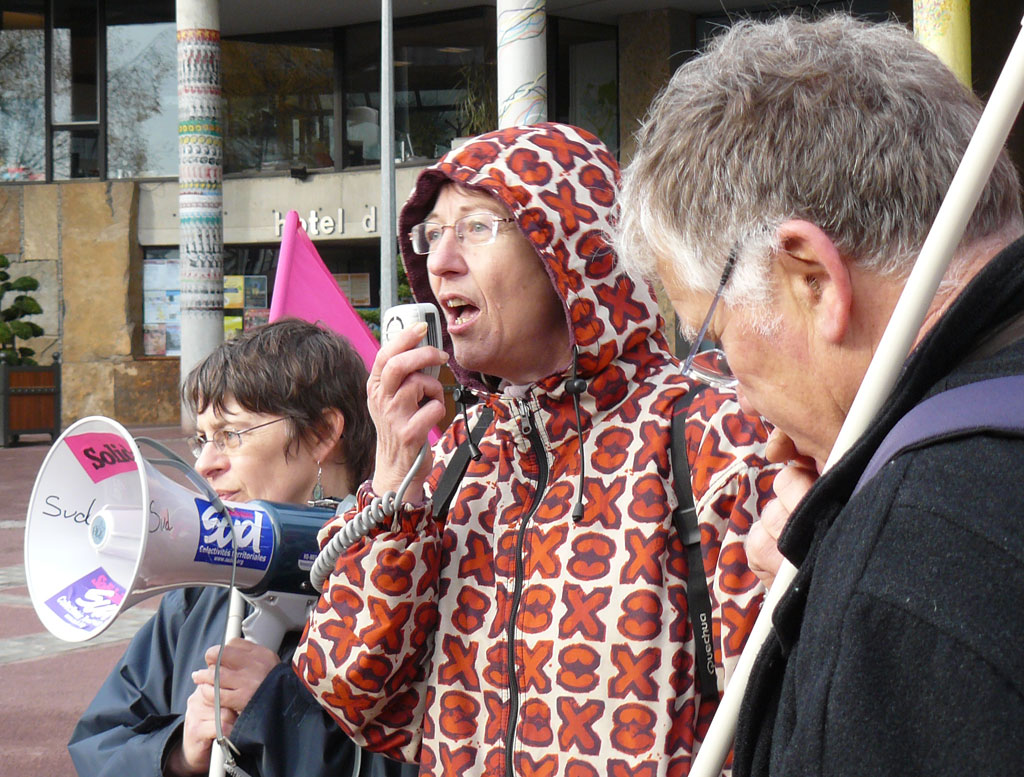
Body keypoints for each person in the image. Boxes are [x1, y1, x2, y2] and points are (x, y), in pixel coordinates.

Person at [294, 122, 778, 776]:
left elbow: (784, 712)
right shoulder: (461, 458)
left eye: (475, 226)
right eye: (432, 234)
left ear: (571, 243)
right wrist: (393, 490)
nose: (440, 261)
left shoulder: (713, 435)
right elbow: (347, 686)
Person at [616, 13, 1024, 776]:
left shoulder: (911, 574)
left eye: (712, 344)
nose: (749, 420)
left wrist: (850, 602)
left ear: (811, 277)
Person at [68, 318, 415, 777]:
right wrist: (177, 751)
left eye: (230, 435)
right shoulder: (199, 595)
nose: (205, 464)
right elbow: (99, 742)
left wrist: (276, 709)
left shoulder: (399, 590)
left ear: (322, 434)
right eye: (201, 440)